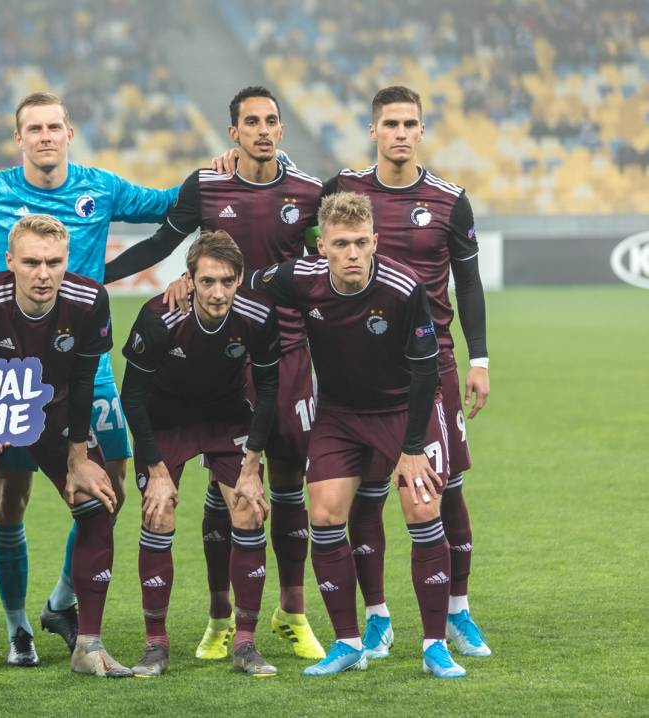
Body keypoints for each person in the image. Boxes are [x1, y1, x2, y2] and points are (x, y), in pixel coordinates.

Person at [0, 91, 178, 663]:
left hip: (78, 373)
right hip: (1, 384)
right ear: (19, 137)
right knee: (5, 498)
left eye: (53, 126)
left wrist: (220, 176)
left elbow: (171, 206)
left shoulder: (100, 194)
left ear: (69, 132)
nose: (45, 136)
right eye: (34, 128)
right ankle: (15, 628)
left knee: (107, 486)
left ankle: (63, 603)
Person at [106, 86, 326, 662]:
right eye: (251, 121)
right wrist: (96, 275)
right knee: (223, 484)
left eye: (271, 120)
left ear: (282, 129)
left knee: (285, 480)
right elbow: (162, 243)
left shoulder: (308, 192)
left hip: (287, 352)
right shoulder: (206, 185)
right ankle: (220, 618)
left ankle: (293, 612)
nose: (262, 129)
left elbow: (323, 262)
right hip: (218, 353)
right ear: (233, 132)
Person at [250, 191, 466, 679]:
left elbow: (426, 369)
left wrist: (412, 449)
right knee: (325, 514)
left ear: (375, 242)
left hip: (404, 409)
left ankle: (434, 646)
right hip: (340, 415)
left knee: (422, 508)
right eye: (341, 244)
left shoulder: (403, 287)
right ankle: (348, 642)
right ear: (322, 246)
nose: (352, 253)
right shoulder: (299, 278)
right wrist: (190, 282)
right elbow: (249, 282)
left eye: (361, 243)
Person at [323, 85, 491, 660]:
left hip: (433, 366)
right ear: (373, 130)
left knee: (446, 491)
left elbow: (469, 284)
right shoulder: (344, 190)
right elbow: (298, 239)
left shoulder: (450, 201)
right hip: (360, 371)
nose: (400, 133)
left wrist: (479, 360)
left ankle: (457, 612)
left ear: (421, 130)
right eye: (390, 123)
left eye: (409, 123)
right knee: (367, 498)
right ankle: (377, 617)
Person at [0, 214, 126, 680]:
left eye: (53, 263)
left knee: (98, 502)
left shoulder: (90, 300)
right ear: (9, 261)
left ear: (67, 261)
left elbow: (83, 381)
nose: (43, 274)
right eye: (31, 263)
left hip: (55, 412)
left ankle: (88, 646)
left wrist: (79, 460)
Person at [120, 230, 283, 677]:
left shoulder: (258, 314)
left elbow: (268, 387)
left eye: (227, 281)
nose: (217, 293)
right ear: (189, 280)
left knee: (249, 509)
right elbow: (132, 395)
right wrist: (156, 471)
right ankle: (156, 644)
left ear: (240, 279)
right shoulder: (158, 317)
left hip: (226, 418)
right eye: (207, 281)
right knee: (158, 514)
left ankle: (245, 643)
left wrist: (252, 466)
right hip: (166, 420)